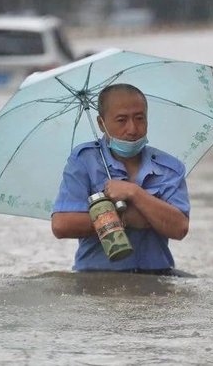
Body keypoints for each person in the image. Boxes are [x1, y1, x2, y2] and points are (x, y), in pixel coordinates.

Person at [51, 83, 190, 275]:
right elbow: (61, 224)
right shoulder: (84, 161)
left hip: (157, 276)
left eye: (139, 118)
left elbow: (179, 228)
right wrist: (125, 218)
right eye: (121, 120)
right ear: (101, 123)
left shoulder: (169, 168)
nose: (132, 129)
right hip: (96, 277)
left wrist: (135, 193)